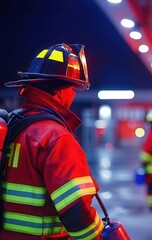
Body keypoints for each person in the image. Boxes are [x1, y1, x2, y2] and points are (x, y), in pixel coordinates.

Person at [0, 43, 104, 239]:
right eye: (73, 88)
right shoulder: (55, 137)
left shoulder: (11, 126)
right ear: (59, 91)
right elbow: (77, 212)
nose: (74, 95)